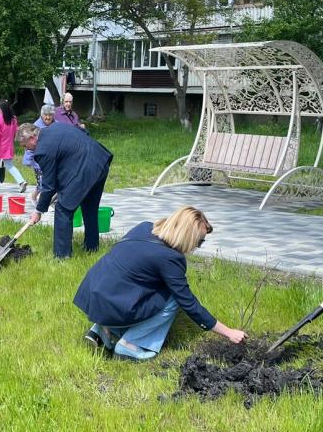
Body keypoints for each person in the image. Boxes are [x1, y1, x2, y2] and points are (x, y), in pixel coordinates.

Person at [74, 206, 246, 361]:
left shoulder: (144, 227)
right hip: (114, 303)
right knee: (173, 297)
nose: (198, 247)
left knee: (142, 283)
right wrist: (228, 332)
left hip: (92, 294)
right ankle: (131, 346)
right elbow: (189, 304)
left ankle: (103, 330)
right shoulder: (170, 258)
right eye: (199, 241)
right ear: (188, 236)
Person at [21, 122, 113, 258]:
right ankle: (92, 247)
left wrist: (39, 210)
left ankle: (61, 256)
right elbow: (83, 132)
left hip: (85, 170)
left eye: (25, 146)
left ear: (32, 138)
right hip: (100, 161)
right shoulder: (55, 126)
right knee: (90, 207)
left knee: (63, 209)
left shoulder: (42, 150)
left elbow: (49, 185)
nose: (27, 150)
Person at [0, 100, 27, 193]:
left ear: (1, 108)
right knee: (10, 166)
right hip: (8, 146)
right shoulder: (13, 119)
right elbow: (16, 131)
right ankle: (21, 181)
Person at [22, 104, 55, 202]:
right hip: (39, 161)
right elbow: (29, 146)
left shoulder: (56, 124)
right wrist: (28, 160)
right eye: (46, 115)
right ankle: (38, 199)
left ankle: (44, 200)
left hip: (51, 159)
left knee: (47, 181)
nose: (48, 117)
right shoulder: (36, 127)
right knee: (42, 182)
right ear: (42, 115)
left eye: (50, 115)